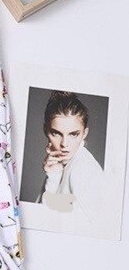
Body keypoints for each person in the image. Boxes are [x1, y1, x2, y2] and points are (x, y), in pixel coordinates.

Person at [36, 90, 105, 218]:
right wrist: (54, 176)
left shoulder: (83, 169)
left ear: (84, 133)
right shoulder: (61, 164)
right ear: (46, 130)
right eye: (56, 133)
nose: (64, 144)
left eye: (73, 134)